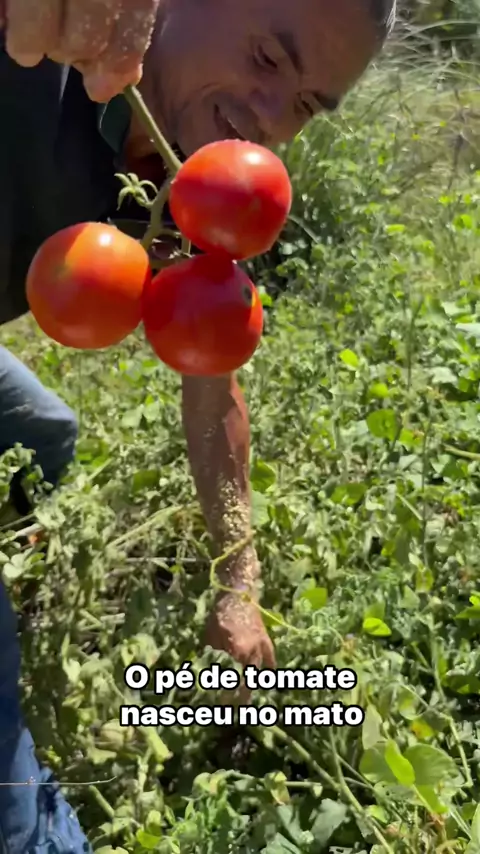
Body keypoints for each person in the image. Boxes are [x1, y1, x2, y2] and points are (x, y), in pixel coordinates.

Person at [0, 0, 396, 851]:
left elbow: (214, 386)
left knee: (44, 432)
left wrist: (238, 582)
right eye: (267, 58)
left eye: (305, 104)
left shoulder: (200, 194)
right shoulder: (52, 45)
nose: (270, 113)